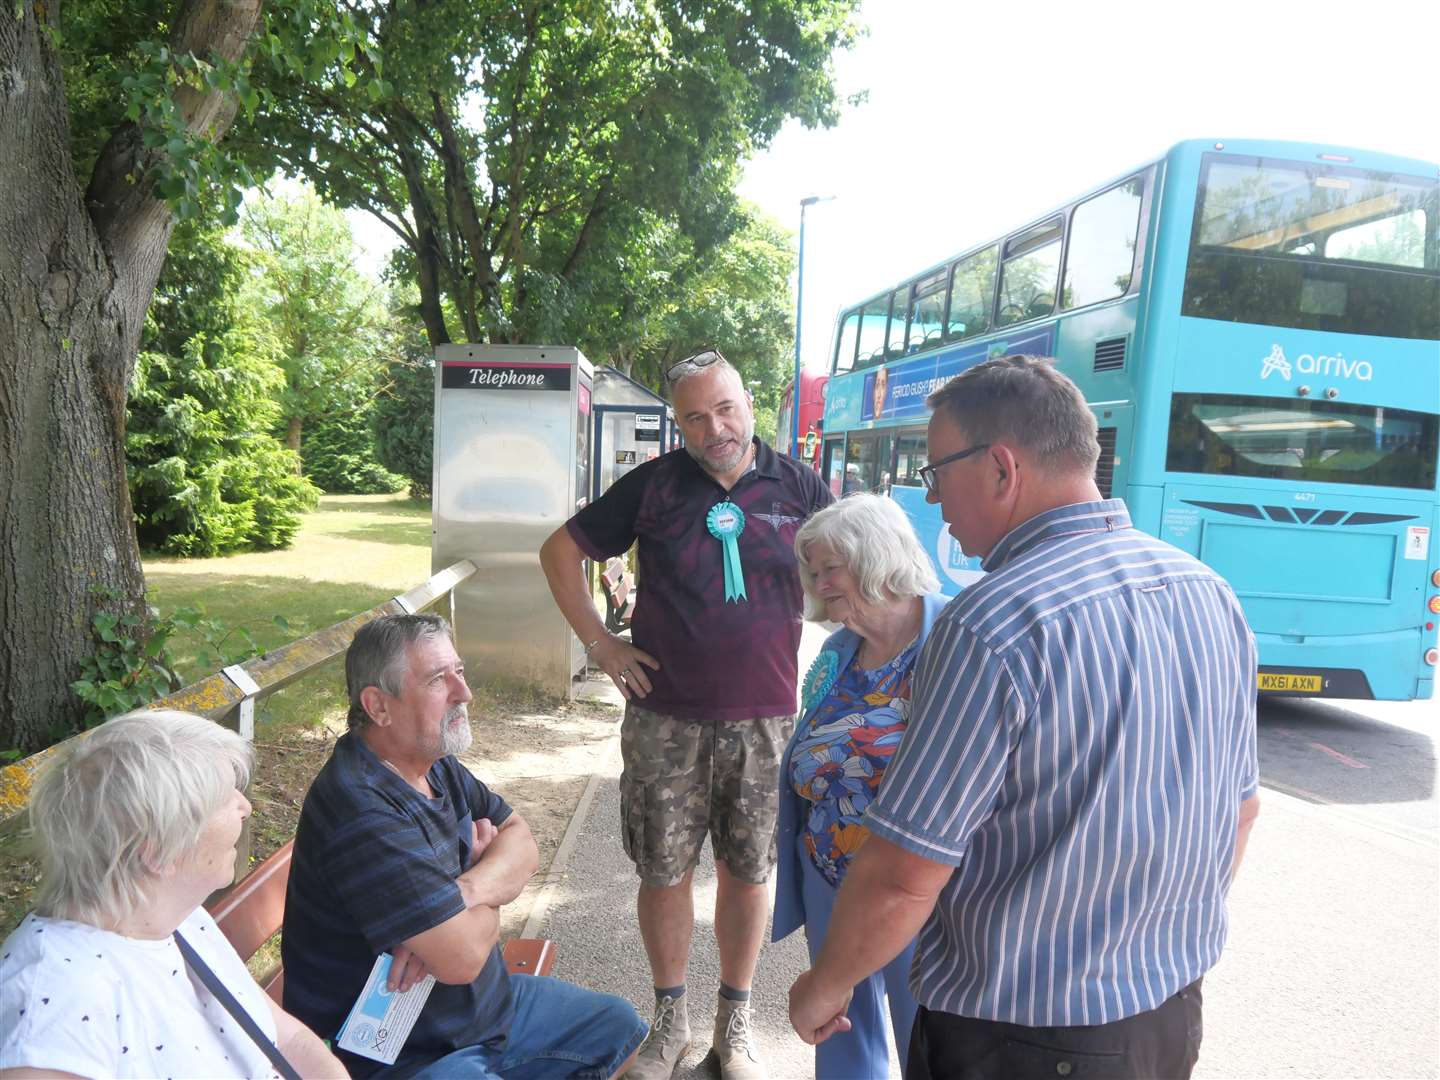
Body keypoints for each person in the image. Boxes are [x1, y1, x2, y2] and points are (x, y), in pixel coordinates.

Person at [789, 355, 1261, 1079]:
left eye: (937, 474)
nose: (937, 501)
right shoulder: (1209, 593)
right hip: (1167, 1013)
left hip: (1019, 1037)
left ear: (1002, 469)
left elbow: (904, 874)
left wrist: (822, 988)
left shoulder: (991, 624)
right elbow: (1241, 810)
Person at [539, 349, 832, 1080]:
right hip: (664, 719)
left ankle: (735, 1024)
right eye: (695, 418)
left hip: (764, 721)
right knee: (663, 870)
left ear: (750, 405)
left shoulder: (800, 486)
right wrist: (600, 643)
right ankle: (669, 1020)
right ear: (678, 425)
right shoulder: (653, 487)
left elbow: (851, 570)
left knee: (748, 870)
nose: (715, 428)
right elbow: (559, 551)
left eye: (725, 409)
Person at [281, 613, 646, 1079]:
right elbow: (463, 959)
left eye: (461, 671)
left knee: (618, 1028)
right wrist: (488, 888)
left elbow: (522, 839)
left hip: (485, 1011)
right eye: (438, 679)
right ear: (378, 706)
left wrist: (466, 892)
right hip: (406, 1054)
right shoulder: (361, 810)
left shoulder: (431, 763)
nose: (464, 693)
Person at [0, 710, 345, 1080]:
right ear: (160, 851)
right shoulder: (55, 998)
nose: (244, 807)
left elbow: (286, 1039)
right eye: (224, 798)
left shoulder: (178, 918)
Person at [774, 494, 945, 1078]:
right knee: (842, 1036)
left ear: (875, 558)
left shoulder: (953, 642)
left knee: (927, 1036)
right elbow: (808, 743)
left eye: (830, 568)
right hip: (830, 875)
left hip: (914, 889)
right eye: (813, 570)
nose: (819, 583)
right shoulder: (837, 649)